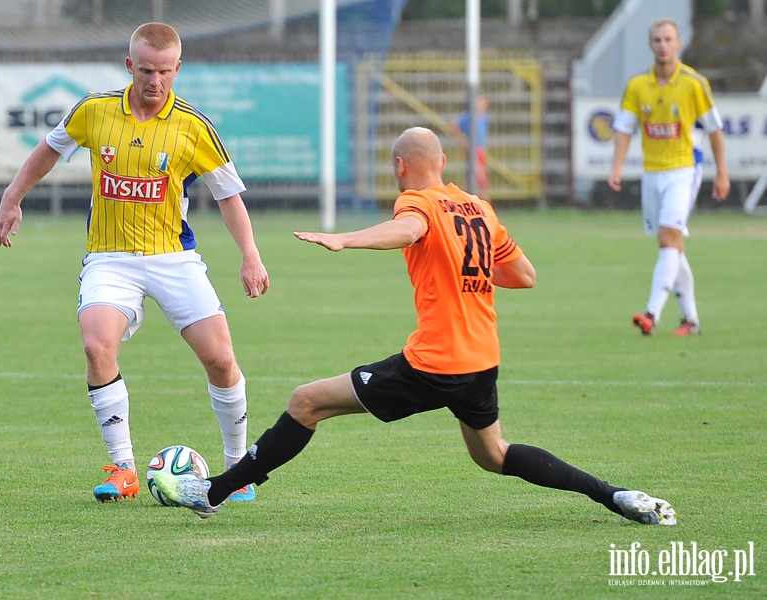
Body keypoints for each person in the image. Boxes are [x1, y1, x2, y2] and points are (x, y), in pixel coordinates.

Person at [158, 126, 675, 526]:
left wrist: (348, 239)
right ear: (443, 163)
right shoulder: (479, 207)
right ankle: (615, 495)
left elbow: (408, 229)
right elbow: (524, 275)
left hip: (435, 362)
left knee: (305, 401)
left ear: (400, 166)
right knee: (493, 454)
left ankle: (213, 492)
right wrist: (465, 267)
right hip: (481, 360)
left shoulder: (417, 202)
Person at [0, 22, 269, 503]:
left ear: (177, 69)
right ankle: (122, 469)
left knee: (221, 360)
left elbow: (228, 196)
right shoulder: (94, 111)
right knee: (97, 347)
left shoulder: (194, 126)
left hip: (174, 258)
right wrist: (13, 196)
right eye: (145, 70)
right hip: (110, 258)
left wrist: (250, 255)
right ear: (130, 66)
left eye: (164, 71)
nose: (155, 81)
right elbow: (49, 150)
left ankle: (236, 468)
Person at [608, 18, 730, 337]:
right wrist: (617, 166)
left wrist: (722, 174)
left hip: (684, 170)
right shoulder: (638, 86)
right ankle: (691, 320)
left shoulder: (694, 83)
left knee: (668, 237)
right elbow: (623, 128)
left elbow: (715, 131)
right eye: (657, 40)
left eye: (668, 39)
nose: (662, 45)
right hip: (652, 174)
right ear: (650, 45)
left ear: (678, 44)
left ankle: (652, 313)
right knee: (673, 245)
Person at [449, 93, 490, 199]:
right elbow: (454, 125)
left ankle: (462, 201)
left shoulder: (484, 116)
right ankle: (486, 205)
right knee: (481, 180)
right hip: (473, 151)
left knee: (471, 180)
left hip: (480, 150)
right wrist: (463, 141)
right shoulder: (469, 117)